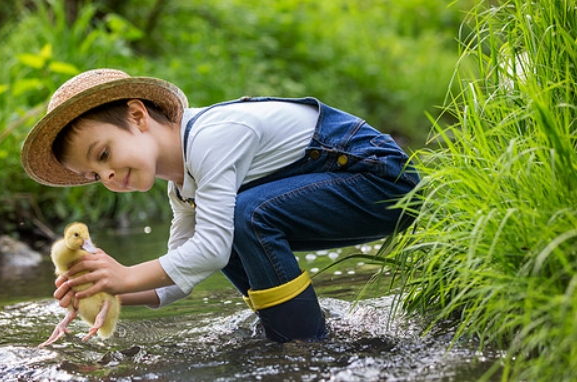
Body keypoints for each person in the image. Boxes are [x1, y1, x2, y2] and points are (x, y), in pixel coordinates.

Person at [21, 68, 420, 342]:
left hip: (379, 178)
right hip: (342, 186)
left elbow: (210, 246)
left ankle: (306, 349)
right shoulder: (181, 188)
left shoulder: (213, 137)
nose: (106, 176)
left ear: (138, 115)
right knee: (231, 226)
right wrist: (108, 291)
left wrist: (125, 274)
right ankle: (288, 338)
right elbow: (180, 275)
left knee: (242, 218)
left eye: (104, 154)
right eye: (94, 175)